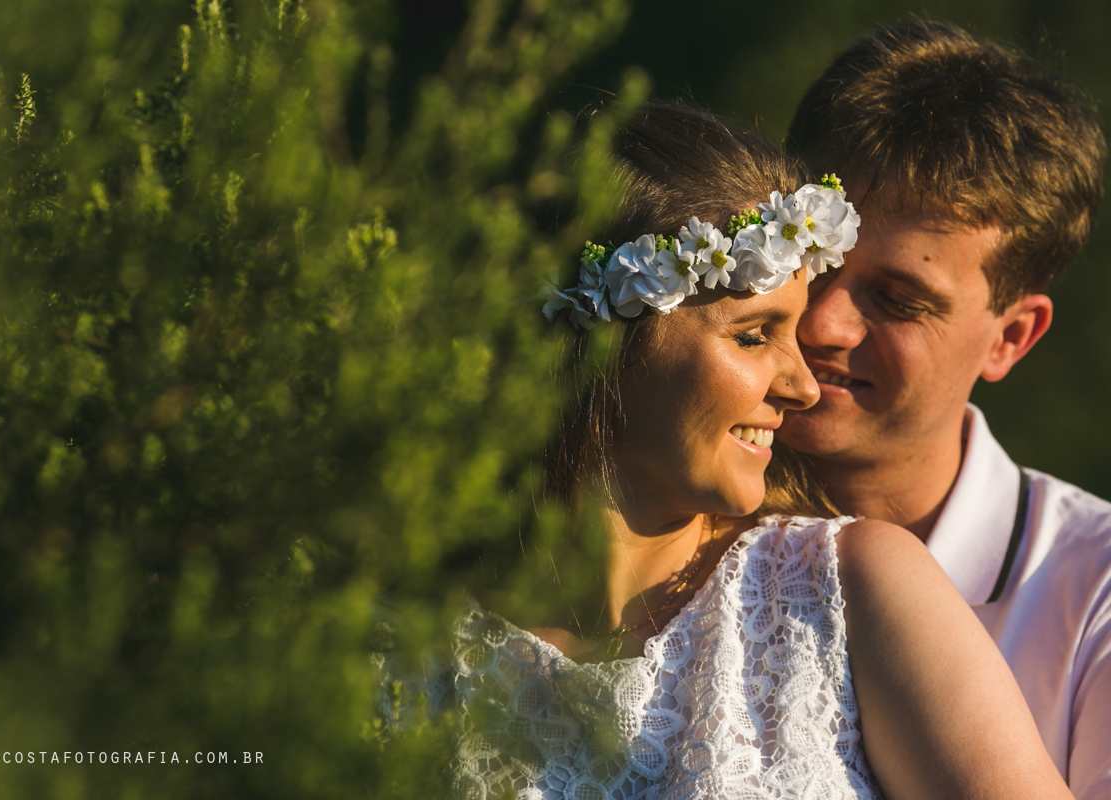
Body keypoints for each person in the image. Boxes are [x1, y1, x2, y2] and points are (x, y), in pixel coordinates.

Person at [383, 103, 1072, 799]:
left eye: (793, 333)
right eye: (753, 335)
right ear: (600, 342)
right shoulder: (394, 650)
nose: (803, 385)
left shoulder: (848, 589)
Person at [780, 20, 1111, 799]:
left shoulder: (1093, 591)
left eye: (898, 300)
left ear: (1012, 338)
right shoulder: (652, 526)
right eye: (808, 260)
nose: (822, 324)